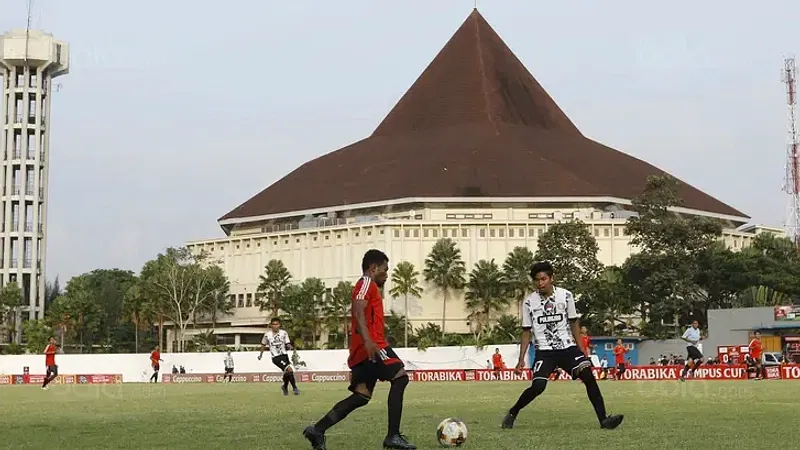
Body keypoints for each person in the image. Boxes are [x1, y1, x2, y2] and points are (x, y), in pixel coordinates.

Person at [303, 249, 415, 450]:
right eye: (385, 270)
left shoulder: (370, 287)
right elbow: (357, 308)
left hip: (363, 350)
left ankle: (317, 430)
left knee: (361, 396)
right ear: (373, 268)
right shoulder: (365, 283)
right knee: (400, 377)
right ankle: (393, 436)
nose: (386, 275)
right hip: (371, 346)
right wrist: (369, 340)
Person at [502, 261, 623, 430]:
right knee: (538, 386)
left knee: (588, 375)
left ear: (552, 278)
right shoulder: (529, 302)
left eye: (543, 279)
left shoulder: (566, 296)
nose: (540, 283)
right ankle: (513, 412)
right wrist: (521, 359)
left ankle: (604, 419)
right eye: (537, 280)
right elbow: (526, 331)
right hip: (544, 351)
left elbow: (574, 322)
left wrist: (581, 349)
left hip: (567, 348)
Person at [259, 318, 299, 396]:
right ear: (271, 325)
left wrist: (290, 346)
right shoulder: (267, 335)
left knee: (287, 372)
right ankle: (295, 388)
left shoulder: (284, 333)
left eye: (277, 324)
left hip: (284, 355)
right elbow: (263, 345)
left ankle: (285, 386)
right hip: (276, 357)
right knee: (290, 370)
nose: (275, 326)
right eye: (274, 324)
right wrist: (261, 355)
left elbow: (287, 343)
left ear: (279, 325)